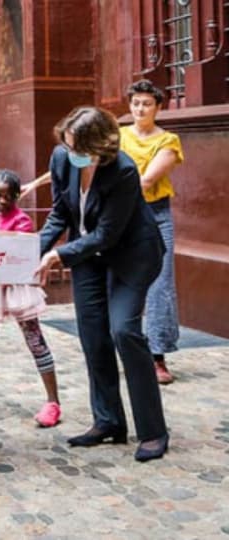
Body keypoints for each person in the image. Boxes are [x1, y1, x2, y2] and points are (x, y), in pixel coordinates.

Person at [36, 106, 169, 462]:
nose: (72, 155)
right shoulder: (63, 157)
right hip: (87, 258)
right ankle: (108, 421)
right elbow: (60, 213)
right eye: (68, 146)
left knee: (124, 330)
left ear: (101, 146)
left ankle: (154, 431)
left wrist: (60, 256)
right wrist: (29, 252)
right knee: (93, 336)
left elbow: (107, 234)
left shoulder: (123, 170)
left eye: (80, 150)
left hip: (130, 256)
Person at [0, 170, 62, 427]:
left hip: (17, 288)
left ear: (17, 196)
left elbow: (17, 249)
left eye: (8, 196)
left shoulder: (22, 220)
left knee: (35, 339)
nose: (2, 201)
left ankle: (53, 401)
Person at [119, 79, 184, 385]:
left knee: (160, 284)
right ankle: (124, 349)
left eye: (146, 103)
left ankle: (157, 356)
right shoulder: (117, 137)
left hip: (155, 214)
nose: (140, 109)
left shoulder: (168, 141)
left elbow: (145, 182)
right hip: (121, 215)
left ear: (159, 107)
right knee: (118, 280)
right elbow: (85, 162)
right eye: (135, 103)